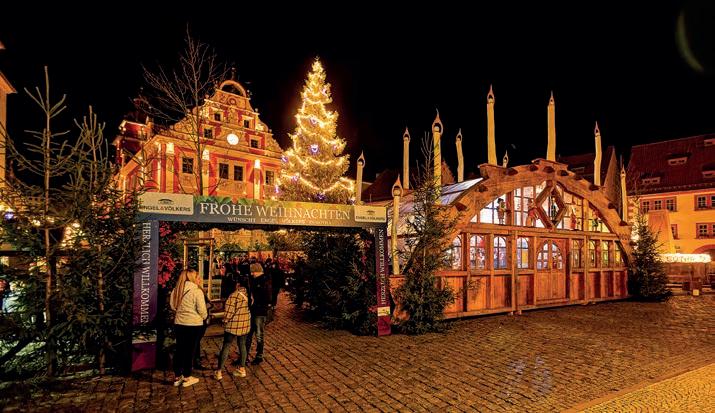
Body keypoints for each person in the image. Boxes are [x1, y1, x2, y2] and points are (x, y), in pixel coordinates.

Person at [169, 269, 207, 387]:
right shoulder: (196, 291)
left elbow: (173, 306)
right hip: (193, 324)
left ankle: (177, 376)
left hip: (179, 323)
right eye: (197, 276)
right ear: (192, 278)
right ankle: (187, 376)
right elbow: (202, 310)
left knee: (180, 349)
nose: (199, 278)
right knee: (190, 351)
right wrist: (204, 317)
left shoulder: (176, 290)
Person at [214, 277, 251, 380]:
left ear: (238, 284)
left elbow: (229, 313)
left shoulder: (234, 296)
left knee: (226, 346)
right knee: (242, 345)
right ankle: (242, 369)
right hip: (244, 325)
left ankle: (219, 371)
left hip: (233, 326)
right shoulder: (249, 294)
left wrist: (224, 321)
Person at [244, 257, 272, 365]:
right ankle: (245, 355)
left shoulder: (264, 281)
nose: (251, 274)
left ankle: (259, 355)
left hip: (260, 311)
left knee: (259, 334)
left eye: (253, 272)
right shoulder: (253, 280)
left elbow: (267, 297)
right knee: (248, 334)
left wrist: (255, 299)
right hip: (253, 310)